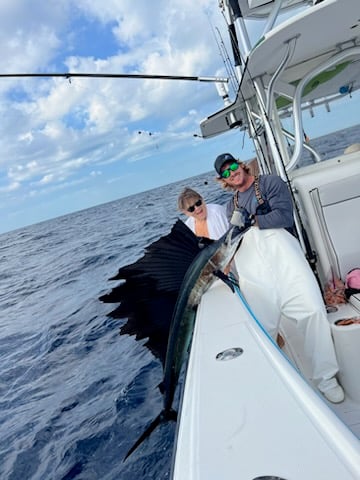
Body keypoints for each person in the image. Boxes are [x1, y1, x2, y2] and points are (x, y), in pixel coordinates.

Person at [214, 152, 345, 404]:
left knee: (312, 311)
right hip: (255, 270)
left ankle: (326, 378)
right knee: (263, 328)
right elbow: (235, 239)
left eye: (233, 167)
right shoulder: (231, 206)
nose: (233, 173)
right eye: (226, 173)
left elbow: (284, 217)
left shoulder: (270, 183)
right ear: (224, 180)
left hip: (286, 261)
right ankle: (283, 384)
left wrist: (251, 220)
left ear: (240, 165)